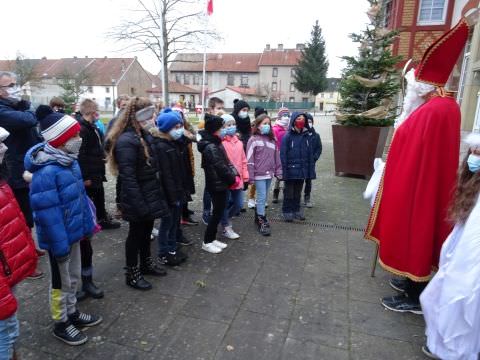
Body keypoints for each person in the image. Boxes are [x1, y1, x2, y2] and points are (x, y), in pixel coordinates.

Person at [364, 18, 469, 313]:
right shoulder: (435, 107)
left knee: (418, 233)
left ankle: (414, 295)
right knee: (413, 234)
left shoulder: (436, 111)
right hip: (413, 185)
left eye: (412, 85)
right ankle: (410, 282)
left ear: (423, 85)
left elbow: (420, 154)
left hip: (419, 190)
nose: (409, 91)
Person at [25, 107, 102, 346]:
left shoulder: (69, 162)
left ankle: (72, 312)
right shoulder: (47, 172)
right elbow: (47, 216)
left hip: (73, 234)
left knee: (73, 276)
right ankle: (61, 322)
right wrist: (59, 246)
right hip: (59, 240)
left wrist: (86, 227)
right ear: (60, 141)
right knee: (60, 281)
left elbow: (78, 201)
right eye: (75, 136)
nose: (79, 140)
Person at [419, 132, 480, 360]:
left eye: (479, 153)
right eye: (472, 152)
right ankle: (446, 344)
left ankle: (458, 350)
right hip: (460, 256)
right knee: (437, 298)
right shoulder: (472, 185)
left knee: (463, 304)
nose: (474, 158)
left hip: (471, 264)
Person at [107, 97, 169, 290]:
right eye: (150, 116)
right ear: (139, 117)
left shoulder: (142, 134)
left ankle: (146, 263)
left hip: (148, 193)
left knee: (146, 233)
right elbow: (128, 177)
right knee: (135, 235)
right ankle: (132, 274)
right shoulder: (127, 141)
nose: (153, 119)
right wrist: (139, 203)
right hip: (137, 196)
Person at [0, 71, 44, 279]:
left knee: (28, 214)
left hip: (27, 165)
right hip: (16, 170)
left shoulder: (13, 105)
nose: (14, 88)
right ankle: (26, 262)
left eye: (15, 84)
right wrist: (27, 107)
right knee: (21, 217)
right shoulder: (2, 110)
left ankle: (30, 249)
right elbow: (28, 119)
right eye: (9, 85)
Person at [0, 126, 37, 359]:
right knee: (5, 334)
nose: (4, 148)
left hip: (8, 272)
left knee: (9, 331)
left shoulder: (2, 183)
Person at [149, 107, 189, 266]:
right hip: (168, 194)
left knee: (174, 223)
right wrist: (173, 197)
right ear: (166, 129)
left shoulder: (173, 143)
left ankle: (172, 248)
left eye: (181, 127)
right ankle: (163, 252)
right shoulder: (161, 147)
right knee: (167, 224)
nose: (180, 130)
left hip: (177, 192)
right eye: (176, 127)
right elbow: (166, 175)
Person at [197, 113, 238, 253]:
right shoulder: (211, 147)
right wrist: (232, 178)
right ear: (215, 130)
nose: (224, 130)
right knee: (216, 213)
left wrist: (233, 172)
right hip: (216, 184)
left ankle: (212, 238)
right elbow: (221, 167)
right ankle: (207, 241)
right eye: (221, 128)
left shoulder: (216, 143)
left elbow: (226, 162)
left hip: (220, 184)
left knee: (219, 212)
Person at [246, 114, 282, 236]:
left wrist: (278, 171)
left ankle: (258, 216)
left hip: (269, 174)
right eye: (264, 123)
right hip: (258, 174)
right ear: (258, 125)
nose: (267, 126)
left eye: (268, 124)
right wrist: (250, 176)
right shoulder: (253, 140)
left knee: (264, 196)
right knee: (261, 197)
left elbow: (277, 158)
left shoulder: (272, 140)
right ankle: (262, 219)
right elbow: (249, 159)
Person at [280, 112, 319, 222]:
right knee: (289, 192)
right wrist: (284, 171)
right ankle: (287, 211)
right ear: (293, 121)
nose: (301, 121)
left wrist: (309, 171)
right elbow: (283, 155)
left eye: (302, 119)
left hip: (302, 170)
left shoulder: (306, 136)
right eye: (298, 119)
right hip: (290, 170)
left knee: (298, 191)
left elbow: (310, 154)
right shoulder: (287, 136)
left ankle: (296, 210)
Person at [220, 114, 249, 239]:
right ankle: (226, 226)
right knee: (225, 203)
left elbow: (243, 160)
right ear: (222, 127)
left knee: (238, 204)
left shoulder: (239, 143)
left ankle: (225, 218)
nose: (232, 127)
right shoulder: (220, 143)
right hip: (226, 179)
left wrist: (245, 175)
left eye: (233, 124)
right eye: (228, 125)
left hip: (238, 179)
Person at [201, 97, 225, 225]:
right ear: (211, 109)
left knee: (219, 185)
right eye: (218, 108)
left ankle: (218, 211)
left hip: (220, 158)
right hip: (209, 161)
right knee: (209, 187)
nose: (221, 111)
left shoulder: (221, 121)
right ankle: (206, 211)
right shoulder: (208, 123)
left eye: (222, 108)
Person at [302, 113, 322, 208]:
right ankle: (296, 197)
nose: (309, 123)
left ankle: (307, 198)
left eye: (310, 122)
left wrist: (315, 157)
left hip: (311, 163)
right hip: (301, 162)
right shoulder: (301, 134)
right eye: (307, 122)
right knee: (299, 181)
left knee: (308, 181)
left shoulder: (316, 135)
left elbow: (319, 148)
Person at [272, 107, 290, 203]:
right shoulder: (275, 129)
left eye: (288, 115)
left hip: (288, 156)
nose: (286, 118)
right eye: (284, 115)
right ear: (279, 117)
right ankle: (276, 193)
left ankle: (286, 193)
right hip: (278, 155)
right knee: (279, 176)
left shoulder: (289, 129)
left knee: (287, 175)